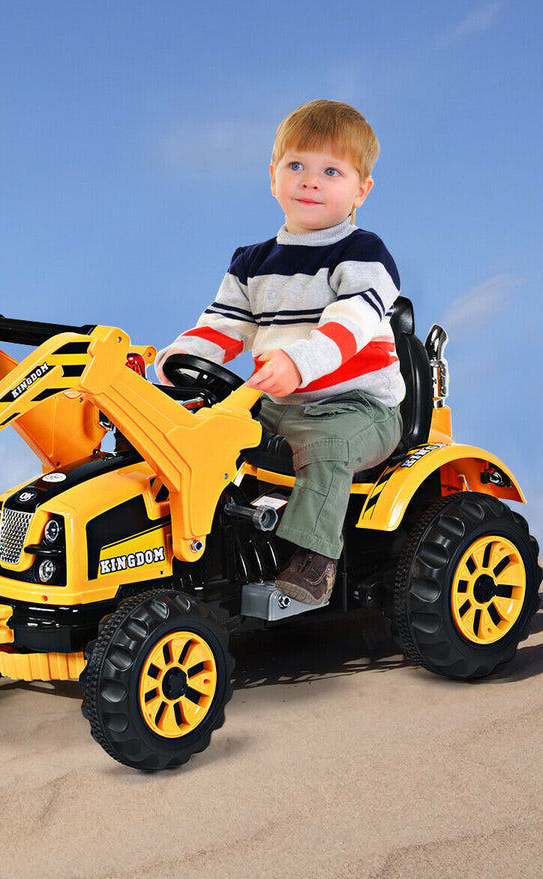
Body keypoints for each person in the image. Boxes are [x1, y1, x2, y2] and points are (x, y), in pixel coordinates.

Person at [156, 100, 404, 606]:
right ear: (273, 177)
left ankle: (314, 560)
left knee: (327, 448)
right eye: (297, 166)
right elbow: (224, 326)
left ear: (361, 190)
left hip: (356, 406)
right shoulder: (252, 262)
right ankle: (205, 552)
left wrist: (300, 363)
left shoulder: (363, 255)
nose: (310, 181)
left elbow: (352, 322)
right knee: (195, 435)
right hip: (276, 402)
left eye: (330, 171)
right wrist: (173, 364)